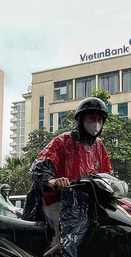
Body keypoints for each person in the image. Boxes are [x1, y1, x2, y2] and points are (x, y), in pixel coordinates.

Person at [22, 96, 112, 244]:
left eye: (99, 120)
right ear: (81, 119)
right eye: (91, 118)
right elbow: (40, 167)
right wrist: (53, 181)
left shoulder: (99, 146)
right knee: (65, 239)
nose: (96, 123)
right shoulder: (62, 141)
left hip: (86, 205)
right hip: (58, 202)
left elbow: (107, 173)